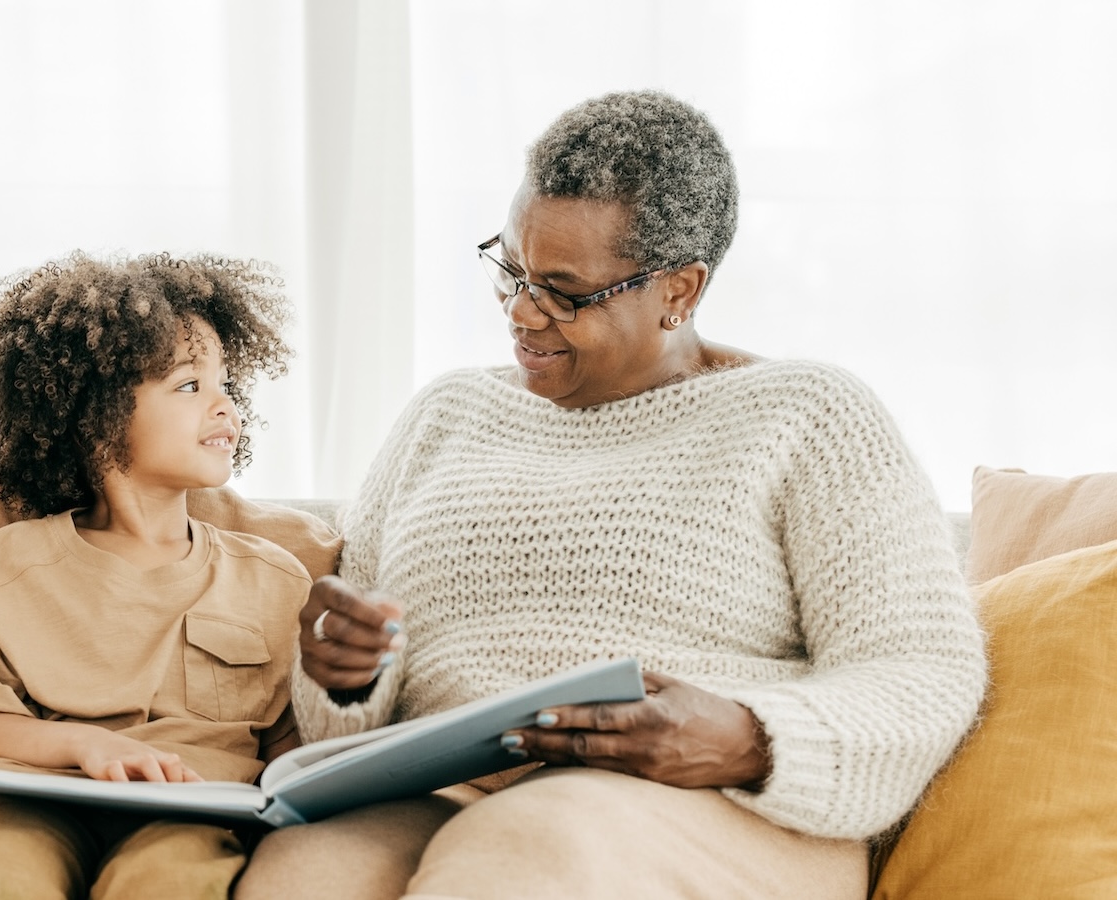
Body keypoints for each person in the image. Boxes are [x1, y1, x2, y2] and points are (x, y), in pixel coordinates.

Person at [235, 90, 988, 900]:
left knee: (522, 847)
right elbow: (347, 692)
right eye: (511, 270)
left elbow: (923, 668)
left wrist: (748, 739)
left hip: (712, 804)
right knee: (306, 871)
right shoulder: (445, 417)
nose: (522, 313)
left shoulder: (807, 415)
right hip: (450, 793)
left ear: (680, 290)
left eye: (564, 290)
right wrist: (343, 675)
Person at [0, 251, 307, 899]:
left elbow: (288, 745)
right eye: (190, 385)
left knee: (171, 878)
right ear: (96, 416)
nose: (225, 407)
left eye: (226, 385)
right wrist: (83, 746)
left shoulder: (275, 580)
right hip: (29, 803)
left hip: (191, 810)